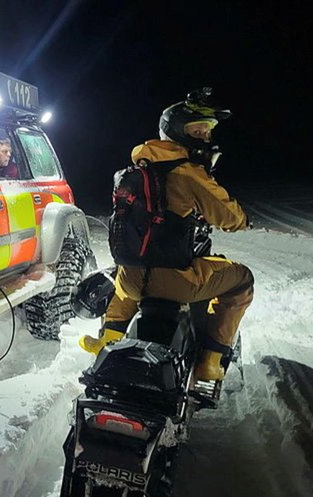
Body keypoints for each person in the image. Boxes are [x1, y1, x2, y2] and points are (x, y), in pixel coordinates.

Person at [79, 89, 253, 382]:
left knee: (129, 272)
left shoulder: (136, 170)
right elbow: (228, 217)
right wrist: (244, 219)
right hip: (176, 283)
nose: (205, 138)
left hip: (131, 280)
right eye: (198, 131)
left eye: (207, 131)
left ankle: (108, 340)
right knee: (242, 280)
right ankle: (210, 361)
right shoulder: (188, 173)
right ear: (176, 133)